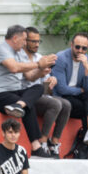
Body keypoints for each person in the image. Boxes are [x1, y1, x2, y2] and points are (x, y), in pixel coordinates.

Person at [0, 25, 57, 158]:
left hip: (14, 93)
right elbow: (14, 68)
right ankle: (36, 148)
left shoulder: (18, 53)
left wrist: (42, 70)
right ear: (15, 38)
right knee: (29, 105)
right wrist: (38, 64)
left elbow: (29, 76)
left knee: (38, 88)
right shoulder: (0, 49)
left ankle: (19, 105)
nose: (25, 43)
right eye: (24, 40)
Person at [51, 32, 88, 159]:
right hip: (63, 99)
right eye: (77, 47)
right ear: (71, 45)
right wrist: (80, 91)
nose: (80, 51)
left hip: (77, 99)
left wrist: (87, 69)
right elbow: (61, 89)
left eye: (84, 48)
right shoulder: (60, 58)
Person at [22, 27, 71, 158]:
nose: (37, 44)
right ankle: (42, 142)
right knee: (55, 104)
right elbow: (28, 78)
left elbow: (46, 91)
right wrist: (39, 71)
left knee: (66, 104)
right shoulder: (20, 56)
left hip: (40, 95)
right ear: (24, 41)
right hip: (25, 96)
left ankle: (53, 143)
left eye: (39, 41)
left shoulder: (40, 57)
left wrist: (51, 81)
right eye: (33, 41)